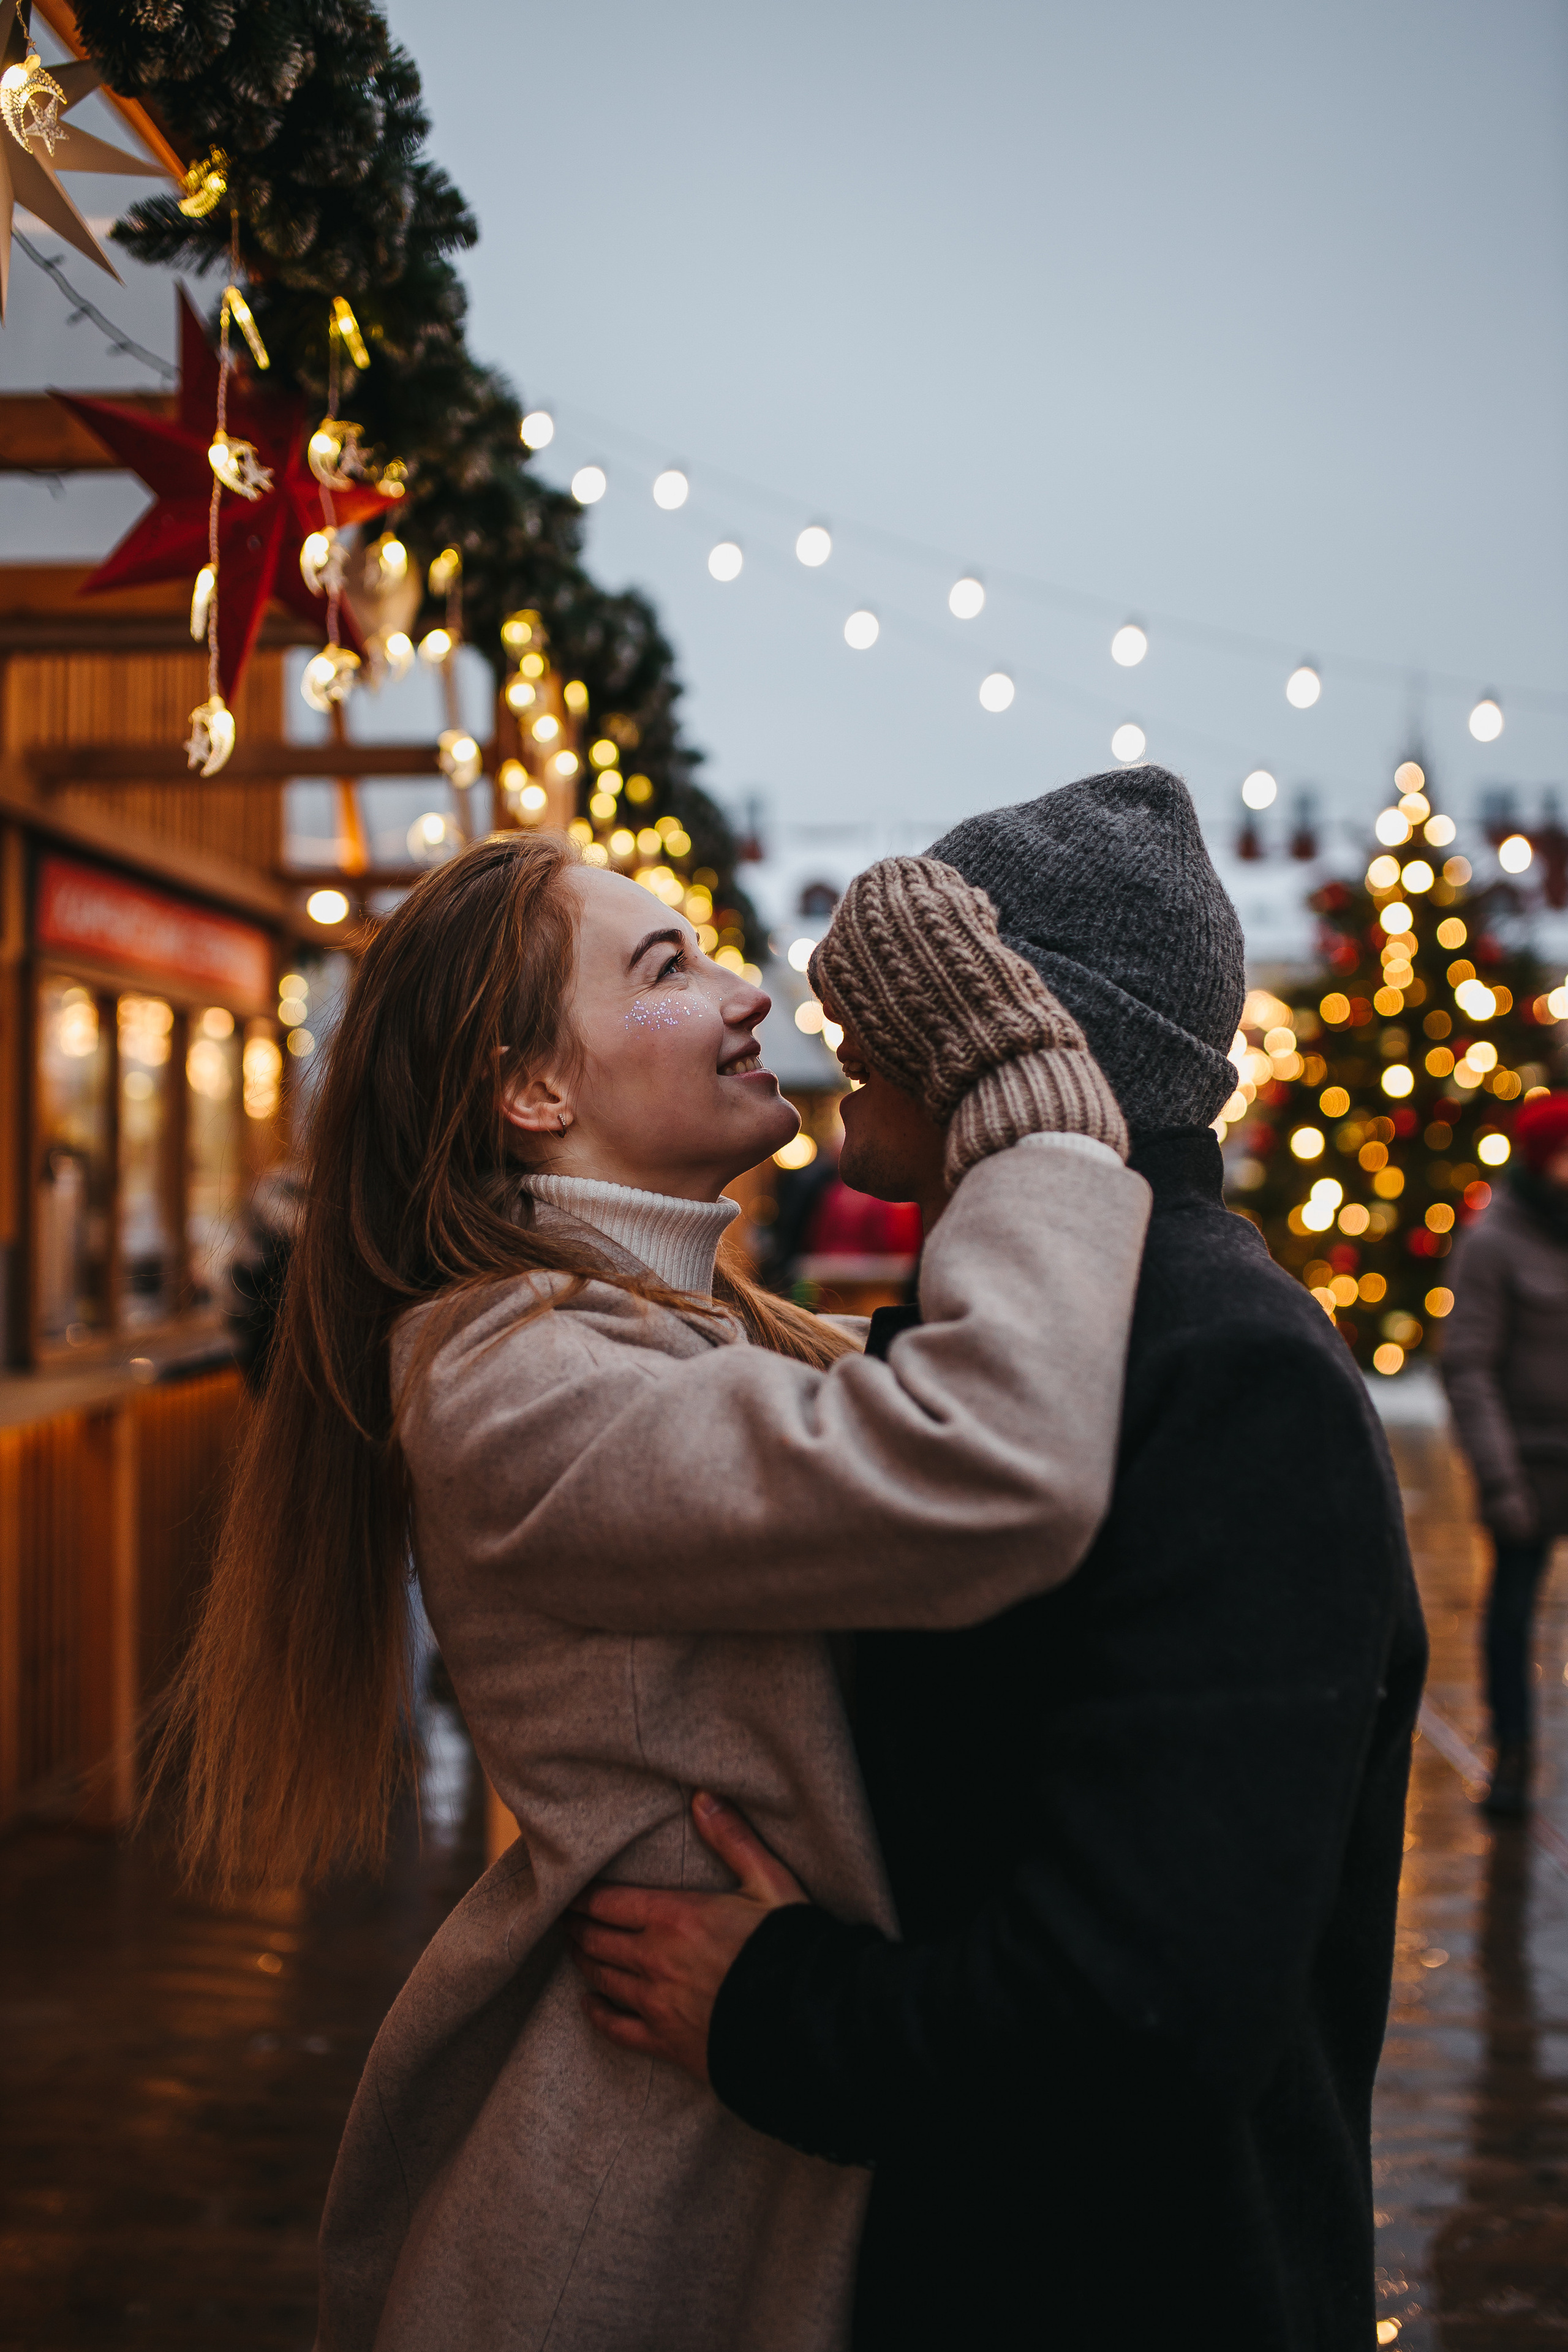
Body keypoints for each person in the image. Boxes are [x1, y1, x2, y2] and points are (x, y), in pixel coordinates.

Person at [148, 831, 1150, 2352]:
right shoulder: (514, 1381)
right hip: (643, 2205)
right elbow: (992, 1460)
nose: (747, 989)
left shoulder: (699, 1327)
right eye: (666, 967)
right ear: (532, 1091)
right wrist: (1034, 1114)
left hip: (751, 2131)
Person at [570, 767, 1429, 2352]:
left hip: (1135, 2292)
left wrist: (772, 2011)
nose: (839, 1043)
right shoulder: (1048, 1340)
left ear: (999, 1036)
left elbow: (1152, 2011)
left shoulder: (1224, 1376)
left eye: (888, 1008)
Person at [1442, 1090, 1568, 1815]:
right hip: (1526, 1464)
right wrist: (1499, 1479)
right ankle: (1512, 1753)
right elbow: (1468, 1367)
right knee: (1512, 1614)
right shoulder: (1494, 1243)